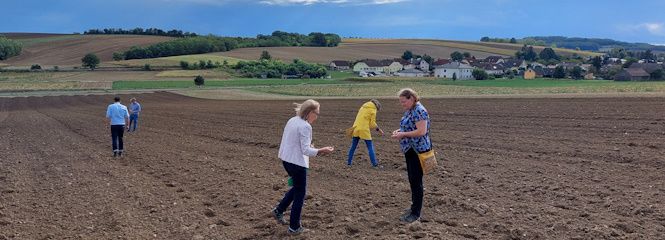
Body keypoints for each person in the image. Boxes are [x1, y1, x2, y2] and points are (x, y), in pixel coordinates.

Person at [271, 99, 334, 235]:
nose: (317, 117)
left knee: (297, 188)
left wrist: (312, 148)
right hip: (297, 163)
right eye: (316, 113)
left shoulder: (292, 120)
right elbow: (306, 151)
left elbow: (292, 142)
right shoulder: (305, 126)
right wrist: (322, 150)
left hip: (286, 160)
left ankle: (279, 210)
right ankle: (294, 227)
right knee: (300, 193)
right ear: (310, 112)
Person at [391, 88, 431, 223]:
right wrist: (400, 131)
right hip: (410, 150)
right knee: (412, 180)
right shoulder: (411, 110)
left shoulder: (420, 110)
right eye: (401, 102)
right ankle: (414, 208)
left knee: (416, 181)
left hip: (418, 150)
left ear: (412, 98)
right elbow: (410, 126)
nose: (402, 104)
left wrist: (403, 134)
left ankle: (416, 213)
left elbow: (421, 131)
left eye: (404, 102)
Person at [347, 99, 384, 168]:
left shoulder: (362, 107)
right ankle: (375, 164)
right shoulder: (373, 110)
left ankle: (348, 162)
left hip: (355, 128)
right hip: (364, 129)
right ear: (377, 106)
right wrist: (378, 129)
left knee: (353, 146)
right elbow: (372, 124)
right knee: (370, 146)